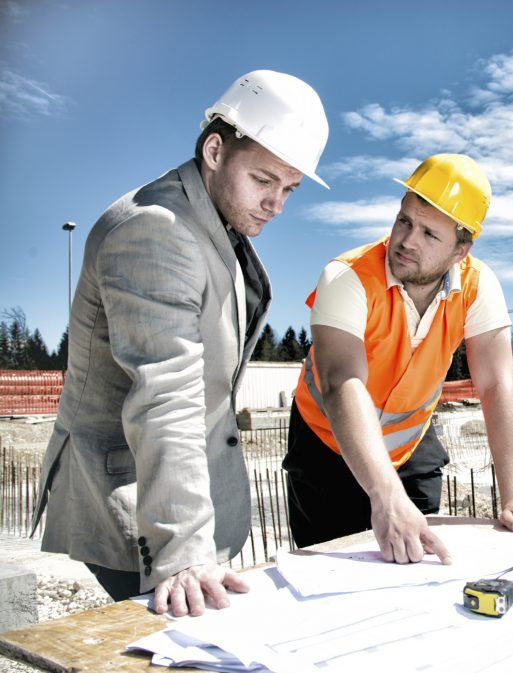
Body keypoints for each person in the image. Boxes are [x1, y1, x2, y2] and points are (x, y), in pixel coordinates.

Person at [32, 70, 330, 616]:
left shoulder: (215, 222)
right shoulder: (157, 229)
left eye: (290, 188)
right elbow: (165, 394)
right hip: (136, 504)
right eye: (264, 180)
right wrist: (185, 553)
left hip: (177, 500)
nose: (276, 204)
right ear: (215, 150)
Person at [284, 153, 513, 563]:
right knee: (332, 571)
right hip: (327, 447)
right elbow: (341, 381)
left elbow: (494, 386)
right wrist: (385, 497)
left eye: (429, 234)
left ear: (461, 249)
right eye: (404, 221)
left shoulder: (477, 285)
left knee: (417, 567)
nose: (406, 241)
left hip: (410, 449)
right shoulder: (347, 277)